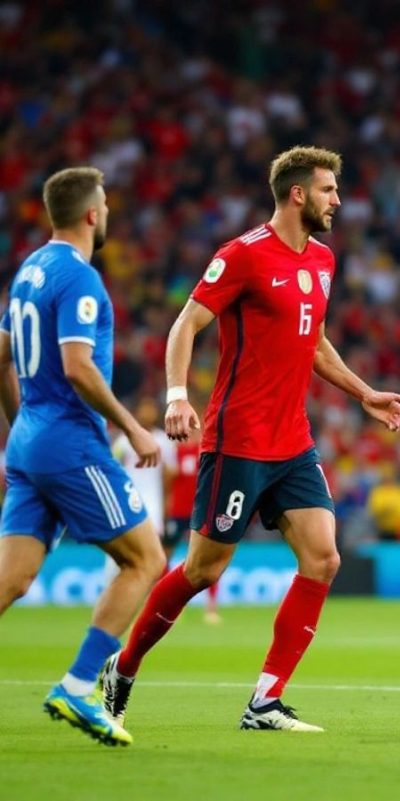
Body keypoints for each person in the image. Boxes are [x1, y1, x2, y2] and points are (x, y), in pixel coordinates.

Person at [98, 146, 400, 733]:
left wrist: (364, 393)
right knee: (202, 571)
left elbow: (314, 342)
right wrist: (175, 397)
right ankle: (124, 665)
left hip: (292, 441)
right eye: (328, 190)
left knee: (323, 558)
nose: (337, 201)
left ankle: (265, 700)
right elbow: (184, 324)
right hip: (237, 440)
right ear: (298, 194)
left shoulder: (322, 260)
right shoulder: (242, 256)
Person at [0, 167, 166, 746]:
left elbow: (2, 354)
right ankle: (75, 688)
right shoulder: (80, 279)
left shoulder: (29, 270)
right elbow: (77, 365)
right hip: (69, 442)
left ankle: (76, 687)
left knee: (11, 581)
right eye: (106, 206)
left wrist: (19, 425)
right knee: (145, 559)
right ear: (92, 214)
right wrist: (133, 428)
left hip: (27, 440)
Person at [106, 395, 176, 582]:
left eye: (151, 408)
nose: (148, 413)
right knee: (121, 555)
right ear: (136, 412)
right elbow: (112, 470)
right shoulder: (123, 441)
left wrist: (167, 508)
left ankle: (149, 602)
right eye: (145, 408)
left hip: (153, 507)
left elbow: (168, 478)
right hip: (127, 503)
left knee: (152, 557)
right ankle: (115, 590)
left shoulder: (164, 441)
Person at [164, 422, 222, 622]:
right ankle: (167, 604)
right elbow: (168, 484)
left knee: (208, 559)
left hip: (199, 512)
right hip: (177, 513)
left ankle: (211, 607)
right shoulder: (175, 453)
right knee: (165, 556)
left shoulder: (206, 453)